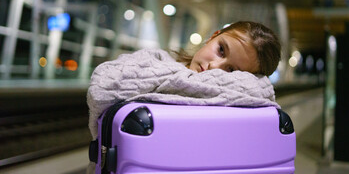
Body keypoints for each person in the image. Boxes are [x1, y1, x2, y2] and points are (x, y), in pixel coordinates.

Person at [87, 21, 281, 139]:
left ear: (248, 79)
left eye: (231, 70)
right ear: (213, 37)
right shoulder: (153, 61)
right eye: (221, 50)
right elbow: (103, 87)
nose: (215, 66)